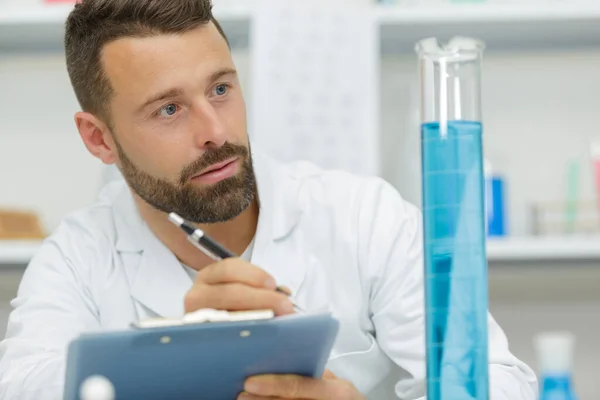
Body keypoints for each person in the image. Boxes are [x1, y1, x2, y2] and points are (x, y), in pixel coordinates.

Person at [0, 0, 538, 399]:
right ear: (99, 139)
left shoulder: (364, 219)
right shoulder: (75, 259)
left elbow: (500, 385)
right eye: (169, 109)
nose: (215, 131)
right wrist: (185, 354)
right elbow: (25, 386)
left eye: (220, 89)